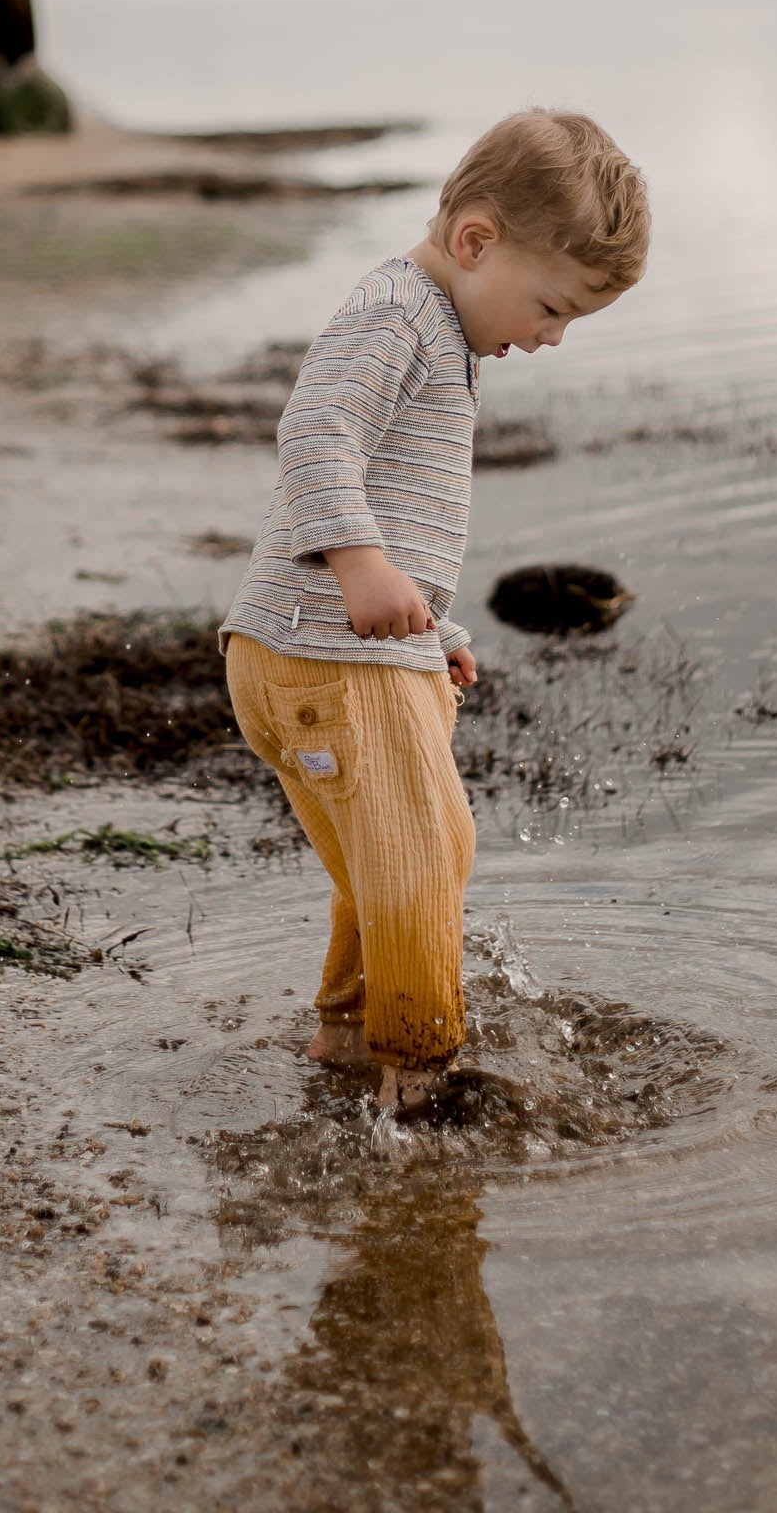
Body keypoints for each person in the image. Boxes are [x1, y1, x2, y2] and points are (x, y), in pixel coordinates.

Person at [220, 108, 650, 1115]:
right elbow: (312, 433)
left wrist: (428, 625)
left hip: (326, 652)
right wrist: (362, 567)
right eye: (550, 307)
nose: (546, 339)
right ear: (474, 242)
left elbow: (385, 500)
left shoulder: (428, 320)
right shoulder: (398, 313)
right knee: (421, 850)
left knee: (402, 850)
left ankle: (340, 1034)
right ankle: (418, 1075)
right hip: (324, 659)